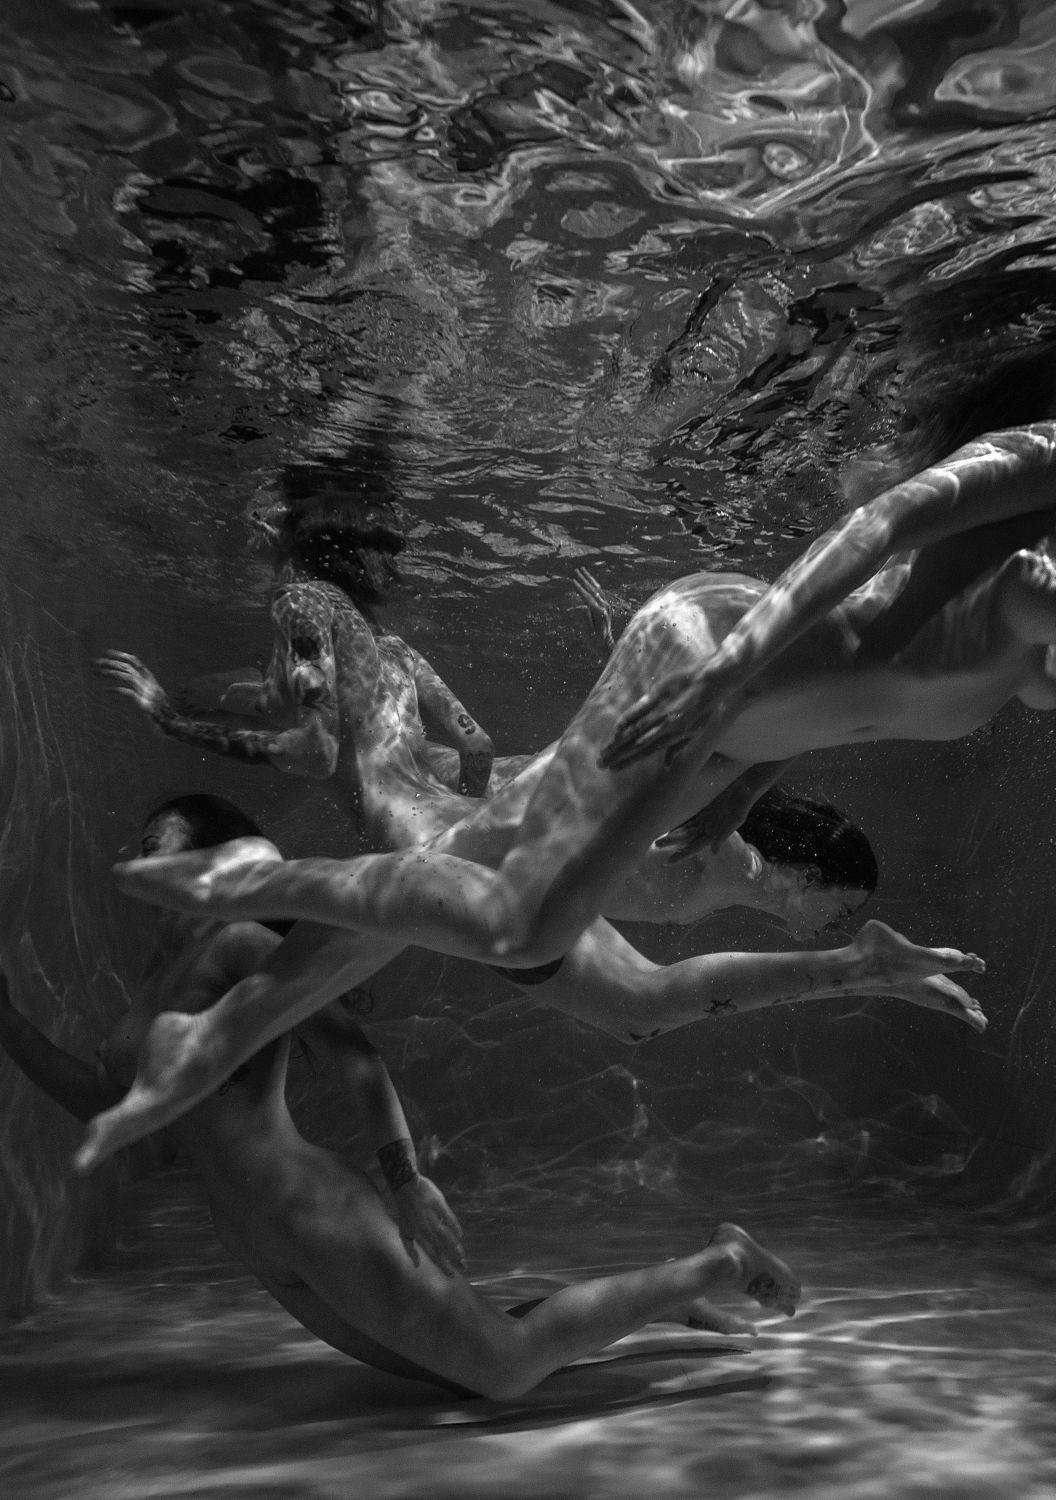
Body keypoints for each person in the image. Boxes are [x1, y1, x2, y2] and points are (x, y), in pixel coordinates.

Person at [72, 424, 1044, 1168]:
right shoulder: (1033, 480)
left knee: (516, 926)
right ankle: (249, 889)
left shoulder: (1012, 626)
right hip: (709, 656)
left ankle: (212, 1032)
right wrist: (729, 671)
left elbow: (851, 695)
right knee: (517, 926)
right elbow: (874, 530)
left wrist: (742, 791)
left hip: (728, 724)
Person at [0, 793, 802, 1398]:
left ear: (215, 859)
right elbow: (99, 1100)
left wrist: (405, 1178)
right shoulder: (150, 990)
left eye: (160, 845)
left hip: (309, 1207)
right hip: (254, 1234)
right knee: (463, 1362)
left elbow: (352, 1055)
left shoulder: (238, 943)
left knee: (501, 1369)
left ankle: (717, 1264)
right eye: (142, 848)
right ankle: (653, 1302)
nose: (145, 859)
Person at [95, 543, 987, 1047]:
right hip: (490, 855)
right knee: (635, 1007)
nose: (825, 916)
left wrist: (630, 660)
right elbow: (615, 773)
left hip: (501, 850)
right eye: (839, 909)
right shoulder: (722, 859)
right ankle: (854, 970)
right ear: (811, 876)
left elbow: (605, 761)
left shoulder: (728, 848)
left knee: (634, 1005)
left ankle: (854, 970)